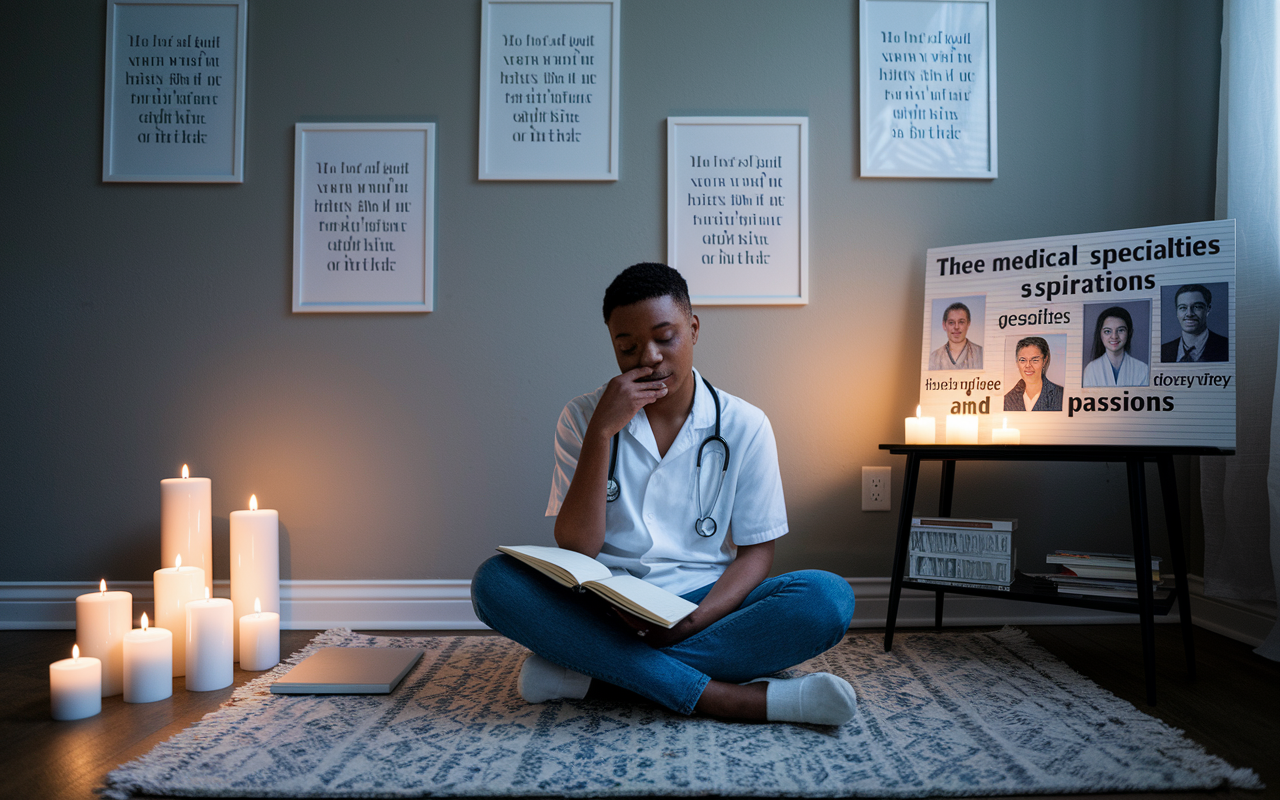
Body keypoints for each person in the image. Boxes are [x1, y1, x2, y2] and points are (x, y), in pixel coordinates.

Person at [471, 263, 857, 726]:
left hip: (704, 605)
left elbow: (756, 554)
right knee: (494, 583)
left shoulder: (745, 424)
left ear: (693, 329)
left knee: (827, 598)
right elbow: (577, 547)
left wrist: (689, 622)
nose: (648, 357)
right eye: (628, 346)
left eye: (665, 337)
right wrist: (601, 433)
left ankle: (591, 676)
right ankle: (733, 700)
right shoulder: (582, 417)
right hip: (605, 607)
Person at [1082, 306, 1149, 387]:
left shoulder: (1143, 369)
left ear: (1130, 333)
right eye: (1107, 331)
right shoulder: (1091, 370)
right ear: (1100, 334)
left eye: (1120, 330)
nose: (1114, 336)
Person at [1160, 284, 1228, 362]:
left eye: (1197, 307)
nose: (1189, 314)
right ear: (1177, 312)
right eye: (1183, 308)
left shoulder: (1227, 347)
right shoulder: (1163, 351)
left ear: (1208, 310)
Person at [1003, 336, 1063, 411]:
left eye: (1034, 360)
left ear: (1044, 361)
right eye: (1023, 360)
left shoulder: (1060, 396)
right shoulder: (1008, 399)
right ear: (1017, 363)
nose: (1028, 365)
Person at [928, 302, 984, 370]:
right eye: (951, 322)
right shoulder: (934, 358)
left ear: (968, 324)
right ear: (944, 325)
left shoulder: (981, 354)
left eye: (961, 322)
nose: (956, 327)